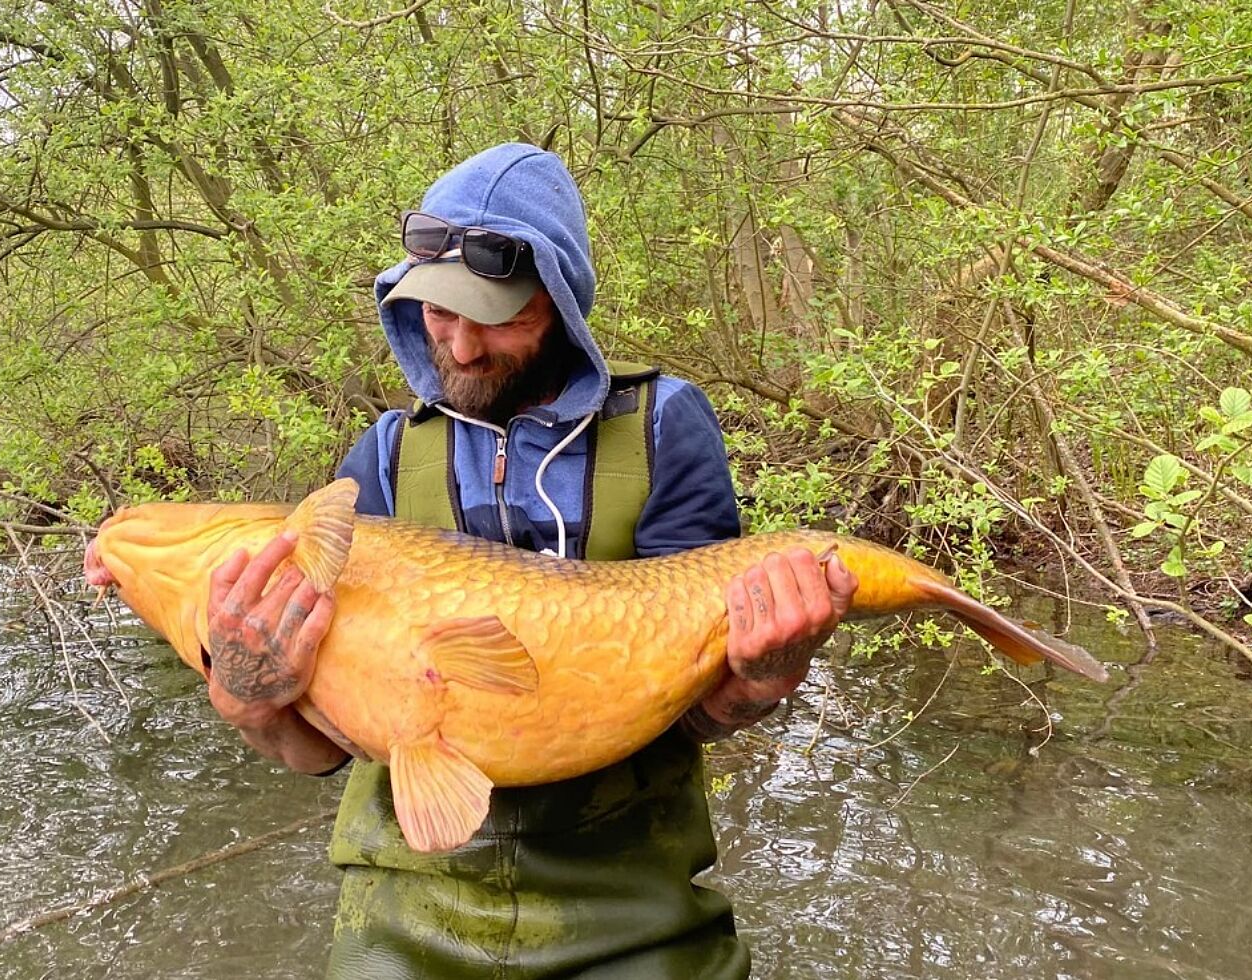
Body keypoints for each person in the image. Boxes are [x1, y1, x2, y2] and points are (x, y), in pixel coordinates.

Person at [203, 143, 858, 978]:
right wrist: (250, 700)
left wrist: (759, 680)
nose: (464, 348)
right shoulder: (382, 457)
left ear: (562, 300)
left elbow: (693, 712)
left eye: (498, 317)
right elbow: (320, 750)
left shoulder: (663, 427)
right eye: (438, 314)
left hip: (635, 901)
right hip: (402, 905)